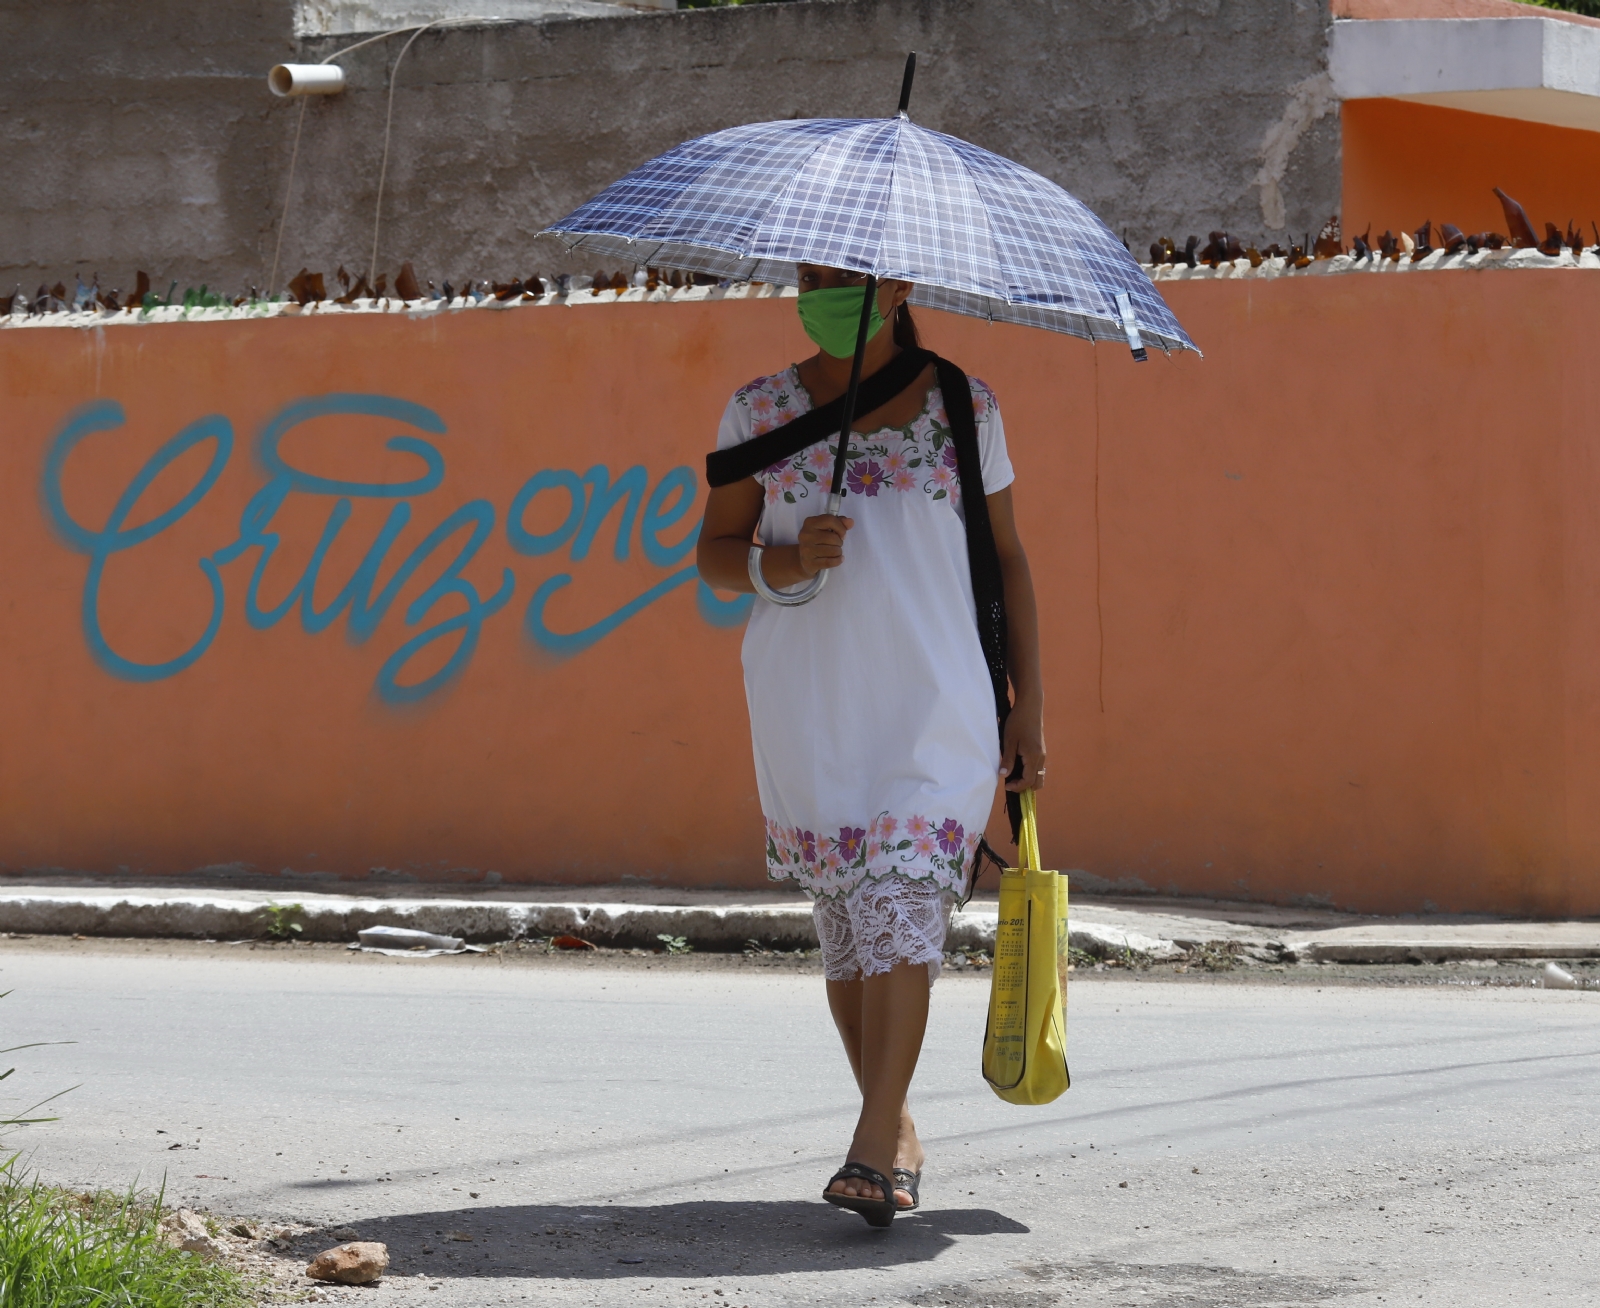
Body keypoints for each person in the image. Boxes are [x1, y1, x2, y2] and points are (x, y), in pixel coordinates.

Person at [697, 264, 1046, 1226]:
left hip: (943, 704)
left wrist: (1030, 708)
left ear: (894, 286)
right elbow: (715, 552)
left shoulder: (966, 406)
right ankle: (894, 1134)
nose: (822, 290)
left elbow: (1007, 557)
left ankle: (868, 1143)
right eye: (809, 275)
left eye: (843, 276)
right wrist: (786, 556)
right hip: (811, 704)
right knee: (852, 927)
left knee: (902, 901)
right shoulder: (758, 409)